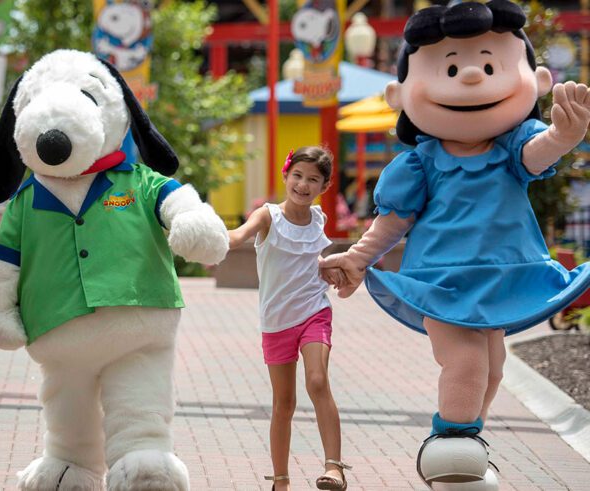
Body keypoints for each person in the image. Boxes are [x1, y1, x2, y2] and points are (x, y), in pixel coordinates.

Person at [319, 1, 590, 487]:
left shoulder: (512, 147)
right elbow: (393, 220)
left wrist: (562, 137)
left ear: (538, 79)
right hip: (441, 279)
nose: (469, 76)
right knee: (465, 361)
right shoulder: (422, 163)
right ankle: (451, 443)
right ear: (398, 94)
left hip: (501, 276)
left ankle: (465, 444)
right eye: (450, 66)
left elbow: (536, 153)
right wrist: (358, 258)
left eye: (489, 64)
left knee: (492, 369)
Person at [228, 147, 351, 491]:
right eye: (298, 175)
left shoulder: (319, 219)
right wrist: (206, 236)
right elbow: (238, 236)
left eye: (313, 179)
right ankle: (280, 481)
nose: (303, 184)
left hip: (314, 312)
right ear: (286, 175)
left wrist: (331, 272)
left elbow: (315, 261)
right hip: (276, 322)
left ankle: (334, 468)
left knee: (317, 380)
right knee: (284, 403)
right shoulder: (268, 217)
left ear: (324, 186)